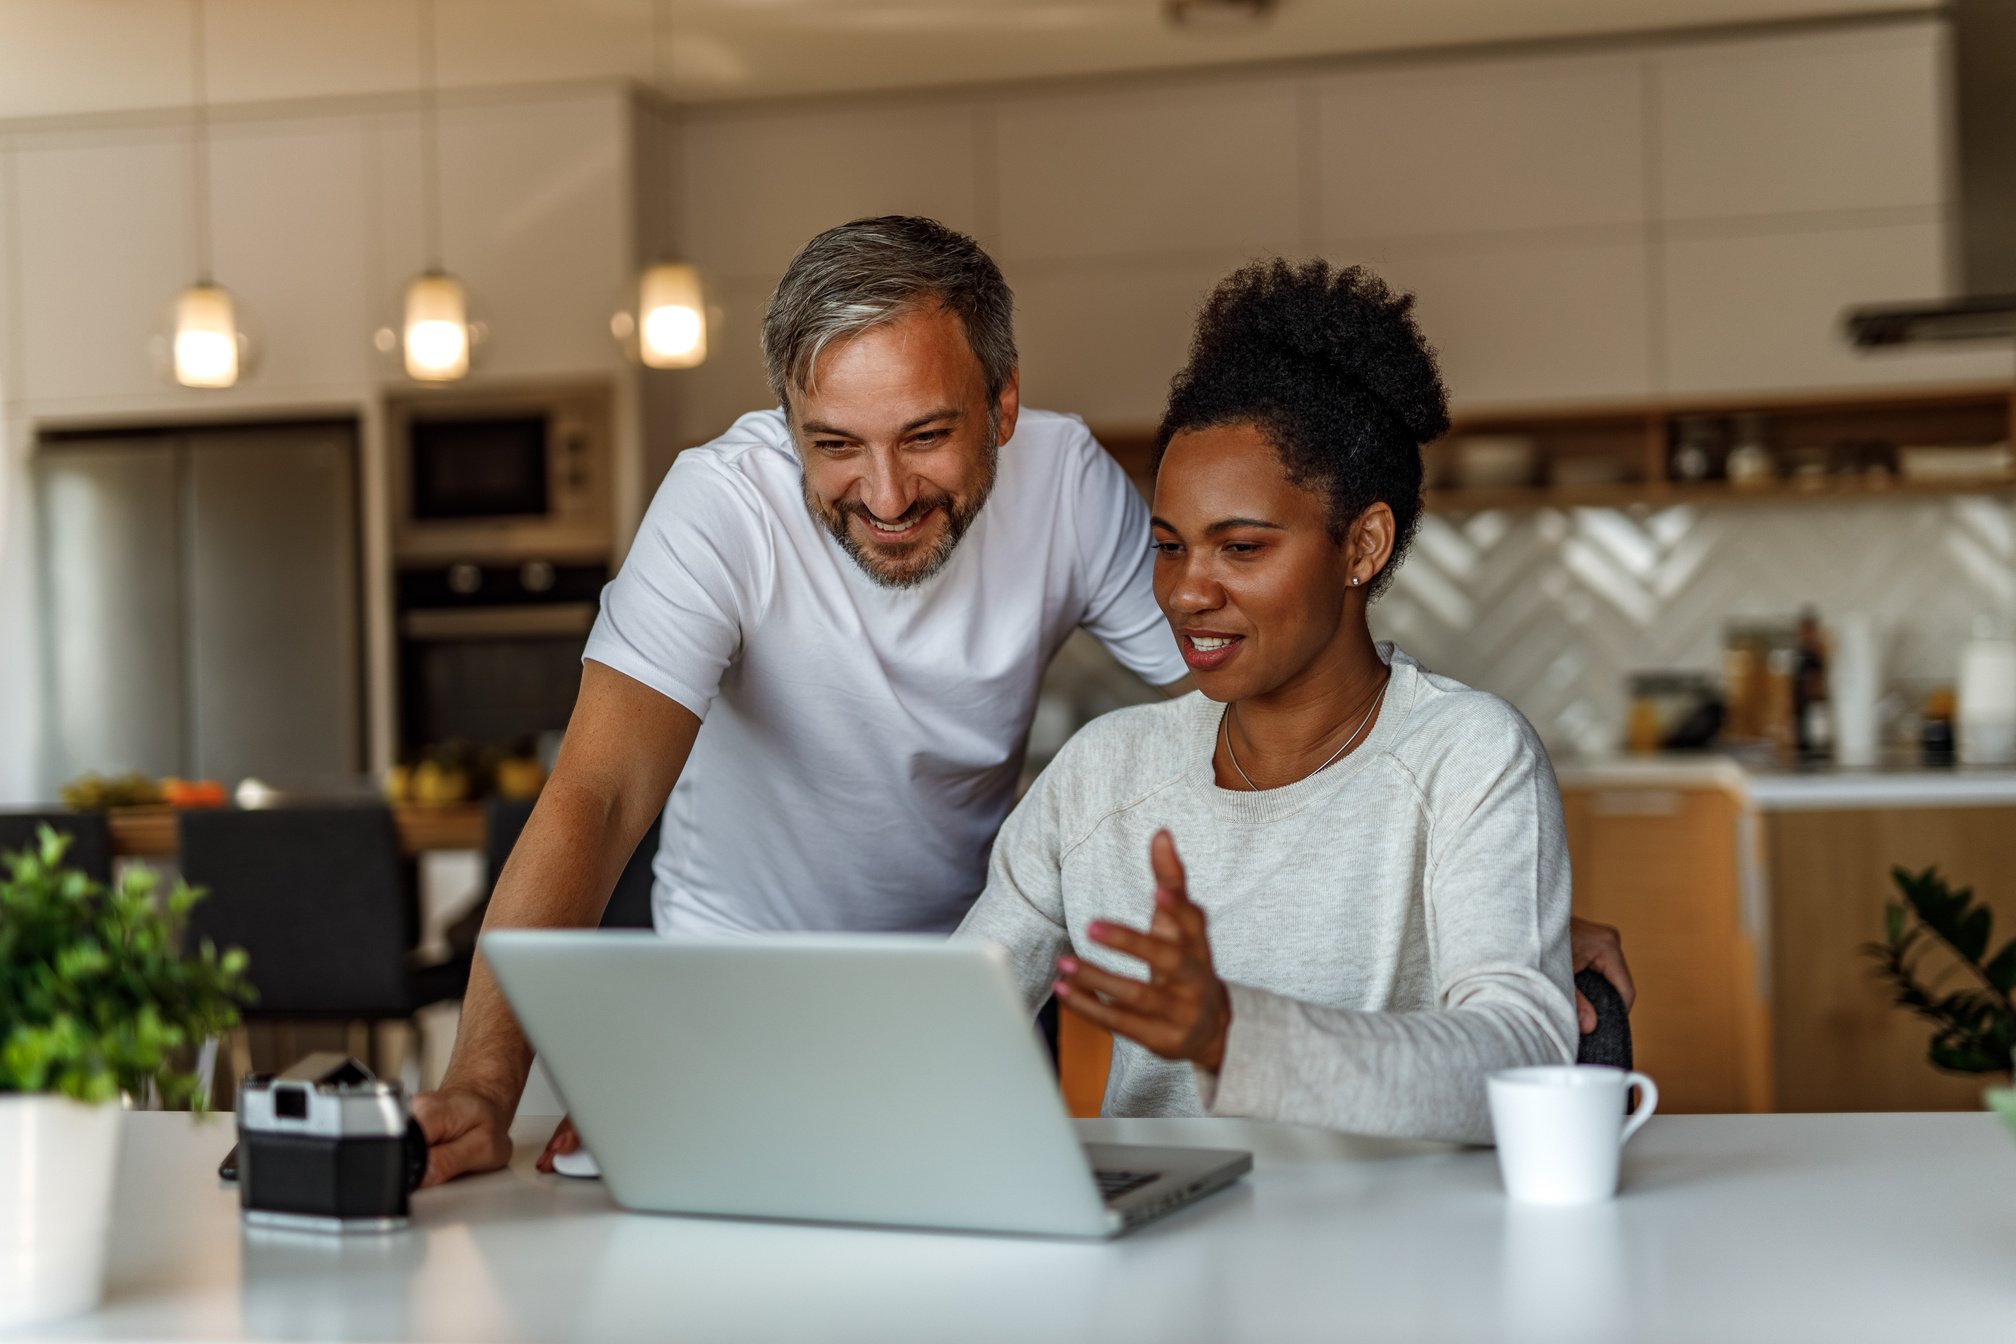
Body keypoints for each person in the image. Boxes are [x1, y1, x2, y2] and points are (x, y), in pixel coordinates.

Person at [415, 220, 1633, 1181]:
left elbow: (1283, 698)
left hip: (1010, 1028)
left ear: (1001, 406)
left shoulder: (1451, 752)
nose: (882, 491)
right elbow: (598, 790)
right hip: (765, 998)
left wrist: (1506, 903)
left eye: (926, 435)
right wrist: (612, 1096)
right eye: (833, 444)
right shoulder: (1092, 777)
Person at [957, 259, 1580, 1143]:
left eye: (1240, 549)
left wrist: (1230, 1034)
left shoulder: (1469, 758)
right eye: (1169, 547)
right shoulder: (1104, 772)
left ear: (1361, 544)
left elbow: (1523, 1059)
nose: (1185, 593)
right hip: (1159, 1251)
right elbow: (954, 1026)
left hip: (1401, 1255)